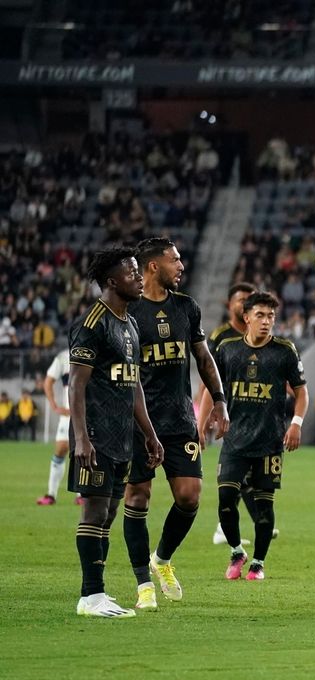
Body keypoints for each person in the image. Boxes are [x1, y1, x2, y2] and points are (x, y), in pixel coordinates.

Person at [122, 237, 230, 610]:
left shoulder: (187, 307)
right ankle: (142, 584)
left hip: (179, 417)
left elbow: (202, 357)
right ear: (153, 266)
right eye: (175, 260)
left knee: (189, 496)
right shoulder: (129, 311)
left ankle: (162, 559)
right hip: (138, 421)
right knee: (137, 497)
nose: (181, 266)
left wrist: (219, 401)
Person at [67, 247, 164, 618]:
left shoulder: (130, 324)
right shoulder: (93, 323)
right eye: (132, 273)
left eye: (139, 272)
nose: (140, 279)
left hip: (122, 436)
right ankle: (91, 597)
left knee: (108, 512)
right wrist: (81, 438)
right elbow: (76, 384)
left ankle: (96, 593)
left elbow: (134, 383)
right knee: (93, 512)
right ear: (111, 281)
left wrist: (150, 434)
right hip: (95, 434)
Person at [212, 291, 307, 581]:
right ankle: (236, 550)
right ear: (246, 317)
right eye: (260, 316)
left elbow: (301, 391)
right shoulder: (227, 349)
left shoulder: (284, 351)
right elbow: (212, 386)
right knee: (226, 498)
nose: (266, 322)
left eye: (271, 316)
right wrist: (212, 415)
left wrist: (297, 423)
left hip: (269, 442)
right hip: (235, 440)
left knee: (264, 507)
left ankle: (258, 562)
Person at [198, 282, 269, 545]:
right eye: (240, 299)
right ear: (230, 305)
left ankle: (238, 523)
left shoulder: (259, 336)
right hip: (230, 408)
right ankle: (228, 525)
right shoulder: (220, 337)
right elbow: (209, 377)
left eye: (249, 299)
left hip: (255, 410)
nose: (245, 304)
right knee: (239, 469)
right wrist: (204, 415)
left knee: (246, 472)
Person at [38, 347, 75, 505]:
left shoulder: (97, 351)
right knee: (61, 448)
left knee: (86, 452)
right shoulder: (64, 357)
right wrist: (54, 405)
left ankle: (83, 495)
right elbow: (48, 381)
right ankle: (51, 494)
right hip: (68, 414)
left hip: (90, 414)